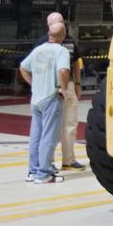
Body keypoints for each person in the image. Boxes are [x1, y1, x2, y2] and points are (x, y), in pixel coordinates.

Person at [20, 22, 71, 184]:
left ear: (49, 34)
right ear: (63, 35)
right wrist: (64, 89)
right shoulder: (62, 51)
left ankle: (33, 171)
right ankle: (44, 174)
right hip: (51, 97)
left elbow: (22, 68)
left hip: (36, 99)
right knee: (49, 136)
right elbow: (63, 71)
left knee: (36, 136)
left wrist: (33, 83)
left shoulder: (38, 50)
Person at [42, 12, 85, 170]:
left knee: (70, 123)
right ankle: (49, 161)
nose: (62, 28)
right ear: (49, 26)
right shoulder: (42, 43)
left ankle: (69, 159)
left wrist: (78, 84)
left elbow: (75, 63)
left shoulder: (70, 41)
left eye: (62, 24)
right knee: (51, 126)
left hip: (70, 86)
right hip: (51, 88)